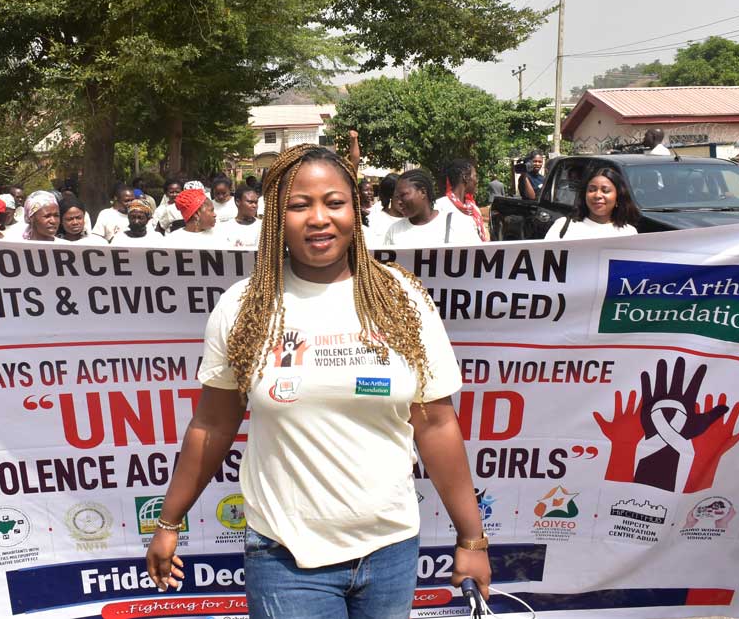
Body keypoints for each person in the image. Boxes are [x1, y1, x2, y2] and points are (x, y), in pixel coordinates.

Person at [144, 145, 489, 617]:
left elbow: (436, 426)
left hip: (391, 549)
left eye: (334, 202)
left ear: (356, 209)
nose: (319, 218)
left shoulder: (404, 299)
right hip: (286, 555)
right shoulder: (244, 306)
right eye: (299, 205)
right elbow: (211, 426)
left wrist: (471, 538)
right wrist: (169, 520)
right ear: (275, 218)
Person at [384, 170, 480, 247]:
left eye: (403, 195)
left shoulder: (459, 224)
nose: (399, 202)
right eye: (397, 197)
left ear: (422, 192)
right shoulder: (393, 231)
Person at [545, 166, 642, 240]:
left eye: (605, 191)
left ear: (618, 197)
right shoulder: (562, 226)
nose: (597, 195)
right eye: (592, 190)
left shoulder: (629, 233)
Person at [435, 159, 489, 242]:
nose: (477, 181)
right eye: (475, 176)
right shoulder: (440, 207)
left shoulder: (474, 209)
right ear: (465, 178)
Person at [365, 174, 403, 246]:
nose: (405, 200)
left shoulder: (413, 220)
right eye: (400, 196)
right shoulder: (373, 221)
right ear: (390, 197)